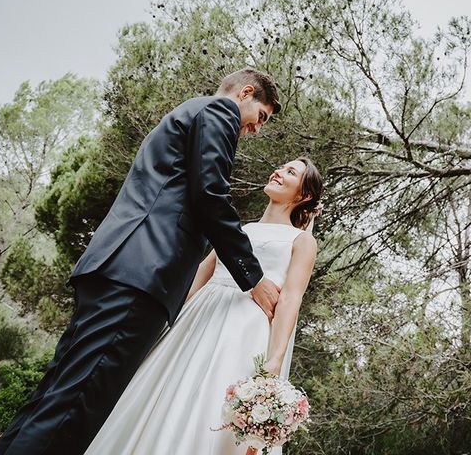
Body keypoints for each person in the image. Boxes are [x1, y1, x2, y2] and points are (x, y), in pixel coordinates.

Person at [0, 69, 282, 455]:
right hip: (144, 275)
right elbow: (210, 196)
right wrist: (253, 277)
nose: (256, 129)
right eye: (260, 117)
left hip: (117, 268)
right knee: (77, 407)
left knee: (55, 396)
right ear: (245, 93)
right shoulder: (219, 112)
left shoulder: (189, 112)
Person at [84, 157, 323, 454]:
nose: (278, 171)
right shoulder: (242, 230)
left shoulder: (301, 241)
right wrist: (167, 316)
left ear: (304, 195)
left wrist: (275, 359)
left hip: (242, 333)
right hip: (199, 318)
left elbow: (290, 298)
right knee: (167, 393)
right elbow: (202, 273)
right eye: (281, 167)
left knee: (210, 405)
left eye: (291, 172)